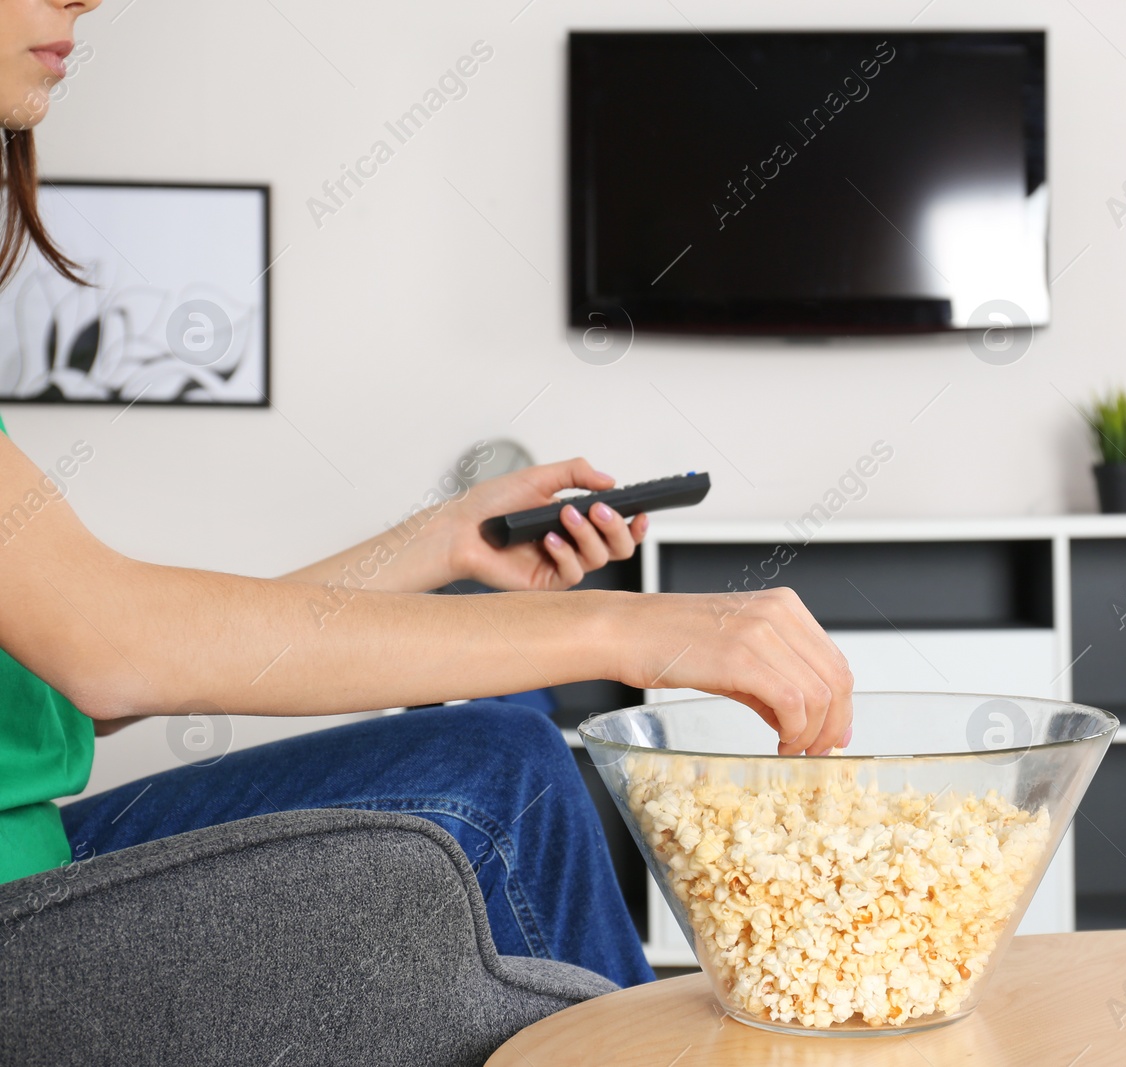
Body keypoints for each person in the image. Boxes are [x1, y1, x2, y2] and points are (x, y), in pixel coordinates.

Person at [0, 0, 853, 988]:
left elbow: (71, 678)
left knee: (502, 756)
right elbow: (115, 649)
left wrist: (442, 541)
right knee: (500, 774)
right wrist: (636, 630)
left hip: (38, 863)